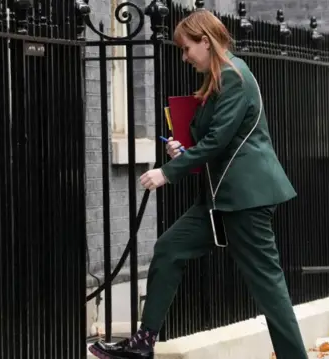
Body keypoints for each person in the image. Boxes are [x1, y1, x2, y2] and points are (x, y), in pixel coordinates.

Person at [89, 9, 307, 359]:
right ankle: (143, 343)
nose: (185, 56)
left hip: (245, 199)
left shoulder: (235, 76)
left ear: (206, 41)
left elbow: (219, 140)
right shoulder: (219, 80)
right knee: (169, 248)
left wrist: (166, 172)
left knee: (268, 286)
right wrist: (182, 149)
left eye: (187, 47)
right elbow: (216, 139)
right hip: (220, 198)